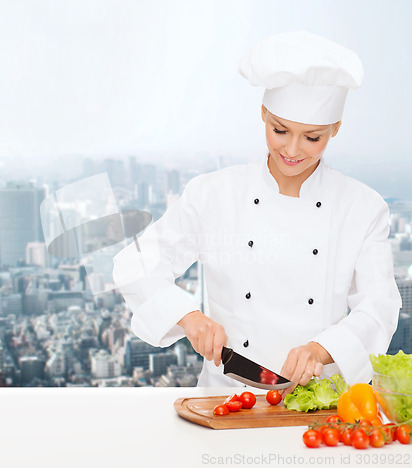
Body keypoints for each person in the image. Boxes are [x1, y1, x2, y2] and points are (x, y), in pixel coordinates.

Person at [112, 31, 402, 390]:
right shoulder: (213, 193)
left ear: (335, 129)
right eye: (280, 130)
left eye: (313, 137)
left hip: (315, 400)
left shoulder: (362, 208)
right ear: (263, 113)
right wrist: (188, 317)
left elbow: (380, 306)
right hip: (227, 396)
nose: (292, 150)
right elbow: (135, 264)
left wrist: (322, 349)